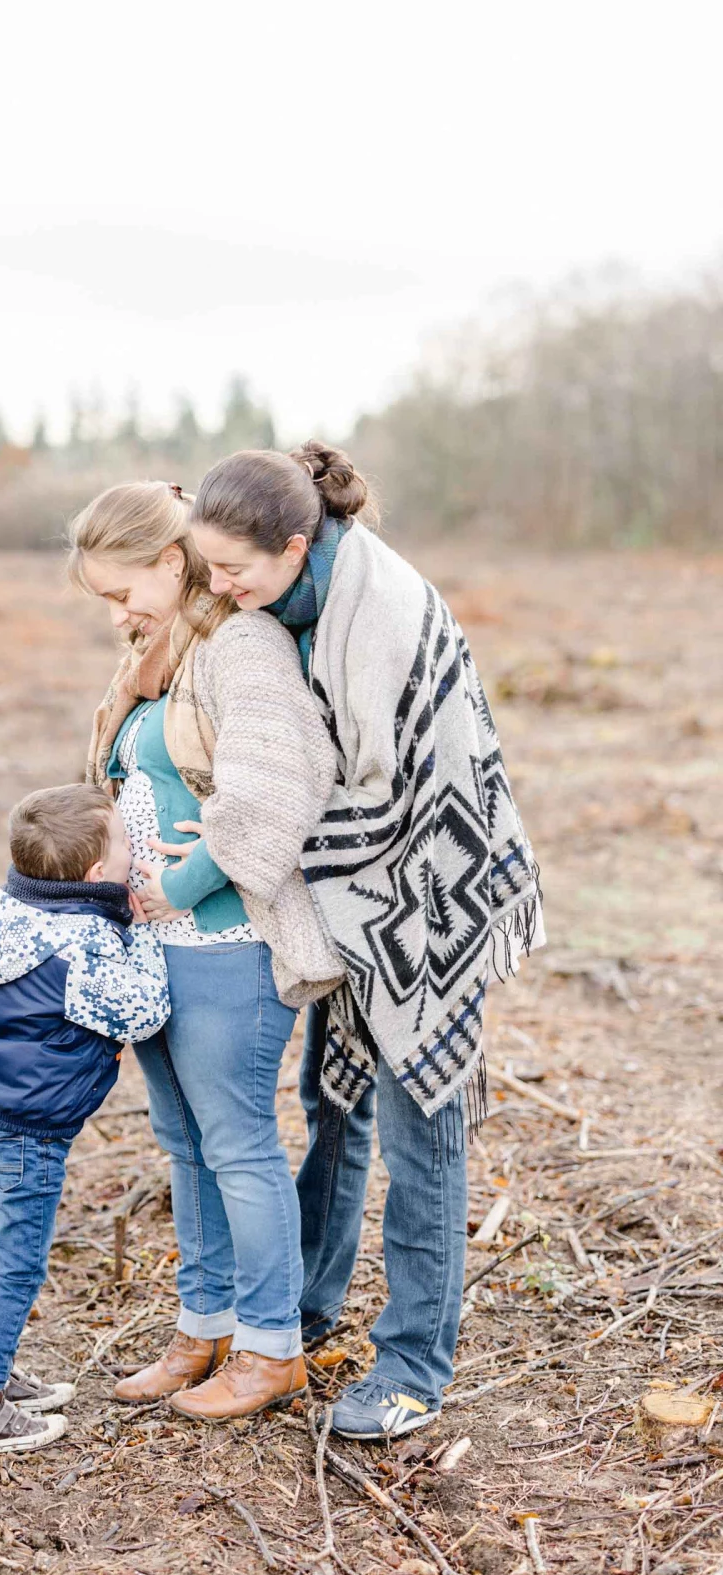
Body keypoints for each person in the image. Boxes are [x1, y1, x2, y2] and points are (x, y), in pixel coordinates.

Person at [189, 443, 543, 1440]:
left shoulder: (376, 610)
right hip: (356, 890)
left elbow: (388, 784)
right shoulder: (291, 597)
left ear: (296, 545)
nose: (220, 590)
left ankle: (414, 1368)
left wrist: (261, 838)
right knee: (330, 1099)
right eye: (209, 570)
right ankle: (301, 1308)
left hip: (431, 881)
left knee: (417, 1120)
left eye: (233, 571)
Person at [69, 481, 345, 1421]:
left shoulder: (242, 648)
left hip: (225, 944)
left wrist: (174, 886)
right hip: (156, 949)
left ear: (169, 559)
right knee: (185, 1145)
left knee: (237, 1147)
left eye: (122, 591)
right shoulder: (160, 660)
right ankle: (206, 1325)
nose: (117, 614)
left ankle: (272, 1349)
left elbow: (275, 790)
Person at [0, 782, 170, 1456]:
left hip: (3, 1109)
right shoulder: (80, 946)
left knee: (11, 1251)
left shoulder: (10, 903)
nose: (136, 850)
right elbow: (144, 1012)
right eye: (127, 843)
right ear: (97, 876)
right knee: (19, 1263)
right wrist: (148, 928)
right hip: (32, 1128)